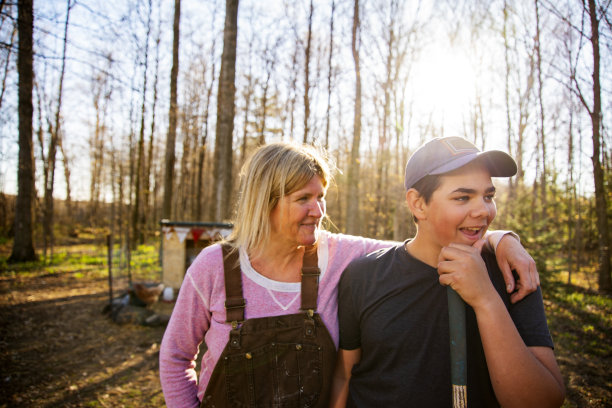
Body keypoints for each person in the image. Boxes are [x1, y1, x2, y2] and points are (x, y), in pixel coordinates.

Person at [159, 141, 541, 408]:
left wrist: (501, 239)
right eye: (303, 199)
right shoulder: (214, 267)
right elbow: (175, 357)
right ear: (266, 203)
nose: (318, 210)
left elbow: (421, 241)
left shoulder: (340, 255)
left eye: (321, 196)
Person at [331, 136, 565, 407]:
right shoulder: (364, 275)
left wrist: (486, 300)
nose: (483, 211)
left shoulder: (511, 274)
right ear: (418, 204)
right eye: (463, 197)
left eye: (488, 196)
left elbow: (543, 401)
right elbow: (345, 377)